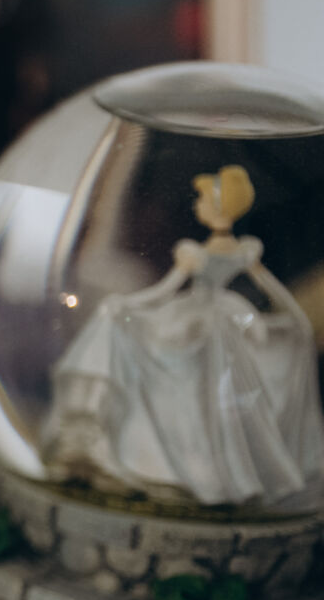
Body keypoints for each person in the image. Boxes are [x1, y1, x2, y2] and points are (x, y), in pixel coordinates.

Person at [44, 165, 324, 510]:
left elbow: (168, 288)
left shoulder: (222, 252)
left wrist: (296, 322)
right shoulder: (218, 251)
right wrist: (127, 304)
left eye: (203, 199)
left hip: (210, 320)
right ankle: (187, 467)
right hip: (205, 315)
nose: (197, 206)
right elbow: (176, 289)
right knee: (194, 385)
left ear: (219, 208)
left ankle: (199, 470)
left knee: (198, 383)